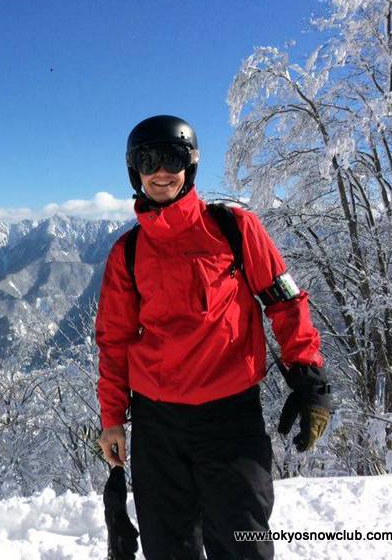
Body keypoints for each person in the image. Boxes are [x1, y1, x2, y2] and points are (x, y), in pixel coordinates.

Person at [95, 115, 331, 560]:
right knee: (168, 549)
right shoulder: (126, 252)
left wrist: (308, 376)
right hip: (157, 425)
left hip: (230, 419)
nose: (161, 170)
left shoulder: (235, 228)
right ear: (135, 171)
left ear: (190, 165)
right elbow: (114, 341)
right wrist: (112, 417)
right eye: (149, 160)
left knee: (244, 544)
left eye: (173, 158)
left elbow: (285, 301)